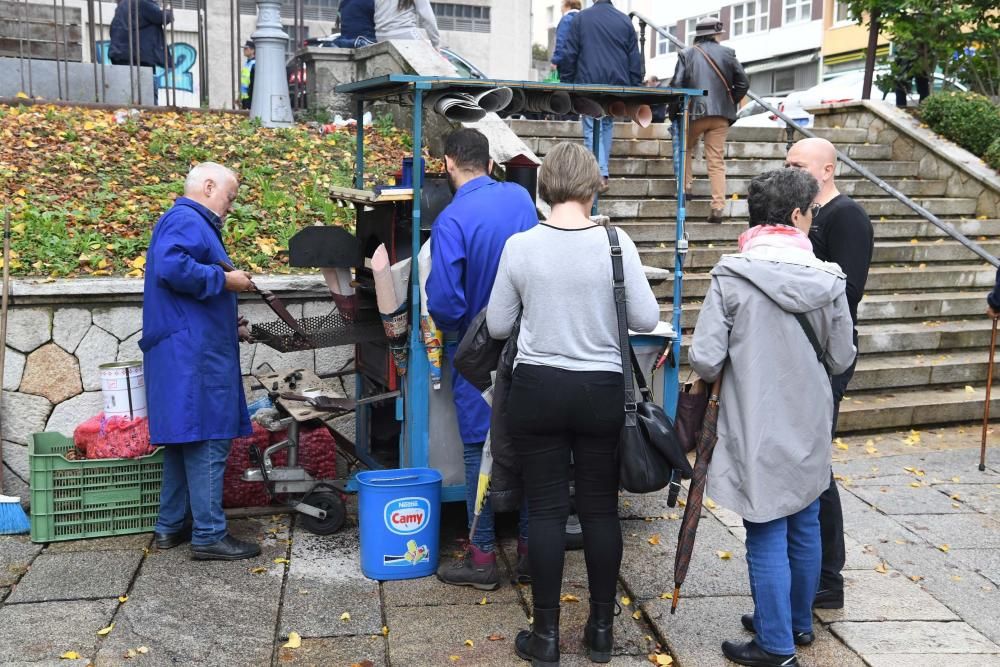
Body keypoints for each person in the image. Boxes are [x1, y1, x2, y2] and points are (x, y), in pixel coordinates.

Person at [487, 142, 659, 666]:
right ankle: (601, 631)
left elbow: (497, 325)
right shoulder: (616, 243)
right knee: (599, 508)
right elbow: (647, 320)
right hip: (600, 391)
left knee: (543, 510)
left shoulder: (521, 246)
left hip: (538, 388)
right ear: (592, 186)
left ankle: (544, 638)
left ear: (543, 187)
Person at [689, 168, 855, 667]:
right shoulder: (829, 280)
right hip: (809, 420)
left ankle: (775, 644)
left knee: (763, 527)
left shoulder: (731, 276)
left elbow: (705, 358)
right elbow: (843, 355)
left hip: (752, 421)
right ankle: (796, 623)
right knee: (804, 519)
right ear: (798, 215)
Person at [426, 129, 536, 590]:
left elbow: (445, 303)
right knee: (531, 444)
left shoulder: (451, 220)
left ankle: (482, 557)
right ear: (490, 163)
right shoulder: (519, 199)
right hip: (531, 343)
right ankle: (532, 553)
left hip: (479, 351)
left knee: (479, 450)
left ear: (449, 163)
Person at [141, 162, 261, 562]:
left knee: (182, 441)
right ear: (208, 187)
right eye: (229, 197)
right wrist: (227, 281)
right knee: (209, 438)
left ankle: (169, 526)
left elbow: (182, 285)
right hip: (194, 356)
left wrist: (232, 322)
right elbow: (173, 267)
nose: (231, 206)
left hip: (185, 350)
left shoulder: (185, 220)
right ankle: (209, 534)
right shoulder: (187, 219)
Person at [785, 137, 873, 610]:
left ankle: (827, 576)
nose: (791, 170)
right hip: (800, 354)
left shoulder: (846, 216)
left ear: (827, 170)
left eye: (799, 165)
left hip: (829, 356)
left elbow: (849, 290)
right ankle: (808, 571)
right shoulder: (798, 215)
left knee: (817, 465)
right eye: (787, 164)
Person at [669, 18, 749, 223]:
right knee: (716, 160)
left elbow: (677, 84)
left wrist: (674, 112)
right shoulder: (728, 53)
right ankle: (718, 207)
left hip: (694, 111)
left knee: (685, 149)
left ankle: (686, 189)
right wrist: (729, 100)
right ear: (715, 34)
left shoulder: (687, 54)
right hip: (721, 115)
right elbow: (743, 83)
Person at [560, 0, 644, 192]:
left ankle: (599, 174)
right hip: (617, 84)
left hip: (588, 82)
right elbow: (634, 57)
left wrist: (567, 82)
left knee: (591, 125)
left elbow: (570, 52)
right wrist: (634, 87)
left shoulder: (581, 18)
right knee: (606, 124)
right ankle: (601, 172)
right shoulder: (624, 20)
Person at [109, 0, 174, 69]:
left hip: (119, 54)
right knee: (142, 78)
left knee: (125, 79)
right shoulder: (142, 2)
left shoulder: (122, 5)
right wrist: (168, 12)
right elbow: (161, 17)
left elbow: (113, 28)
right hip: (137, 56)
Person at [374, 0, 440, 49]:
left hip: (380, 36)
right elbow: (428, 18)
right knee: (429, 56)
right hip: (405, 34)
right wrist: (436, 44)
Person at [550, 0, 581, 81]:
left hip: (567, 64)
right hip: (582, 65)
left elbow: (561, 41)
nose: (561, 9)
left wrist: (555, 61)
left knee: (566, 90)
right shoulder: (584, 19)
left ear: (568, 5)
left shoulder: (567, 19)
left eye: (562, 5)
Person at [240, 40, 255, 110]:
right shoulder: (247, 63)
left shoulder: (254, 64)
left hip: (250, 98)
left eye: (246, 48)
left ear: (252, 50)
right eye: (244, 48)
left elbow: (253, 83)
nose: (244, 50)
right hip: (245, 97)